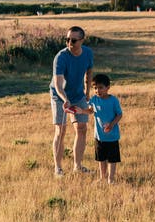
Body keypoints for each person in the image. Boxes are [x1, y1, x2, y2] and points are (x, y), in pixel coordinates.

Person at [50, 26, 93, 176]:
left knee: (82, 128)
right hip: (59, 96)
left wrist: (87, 91)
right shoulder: (61, 57)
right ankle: (58, 169)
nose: (70, 43)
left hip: (78, 94)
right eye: (67, 39)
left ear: (82, 40)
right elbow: (58, 84)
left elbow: (89, 72)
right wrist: (65, 100)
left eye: (73, 40)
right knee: (60, 131)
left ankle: (78, 166)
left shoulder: (87, 53)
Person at [74, 74, 122, 184]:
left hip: (112, 137)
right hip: (99, 136)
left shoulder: (113, 100)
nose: (97, 90)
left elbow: (119, 114)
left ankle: (111, 179)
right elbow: (91, 110)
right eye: (95, 88)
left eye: (100, 87)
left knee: (112, 160)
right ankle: (102, 177)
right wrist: (82, 111)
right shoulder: (94, 99)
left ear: (108, 87)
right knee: (101, 159)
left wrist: (112, 124)